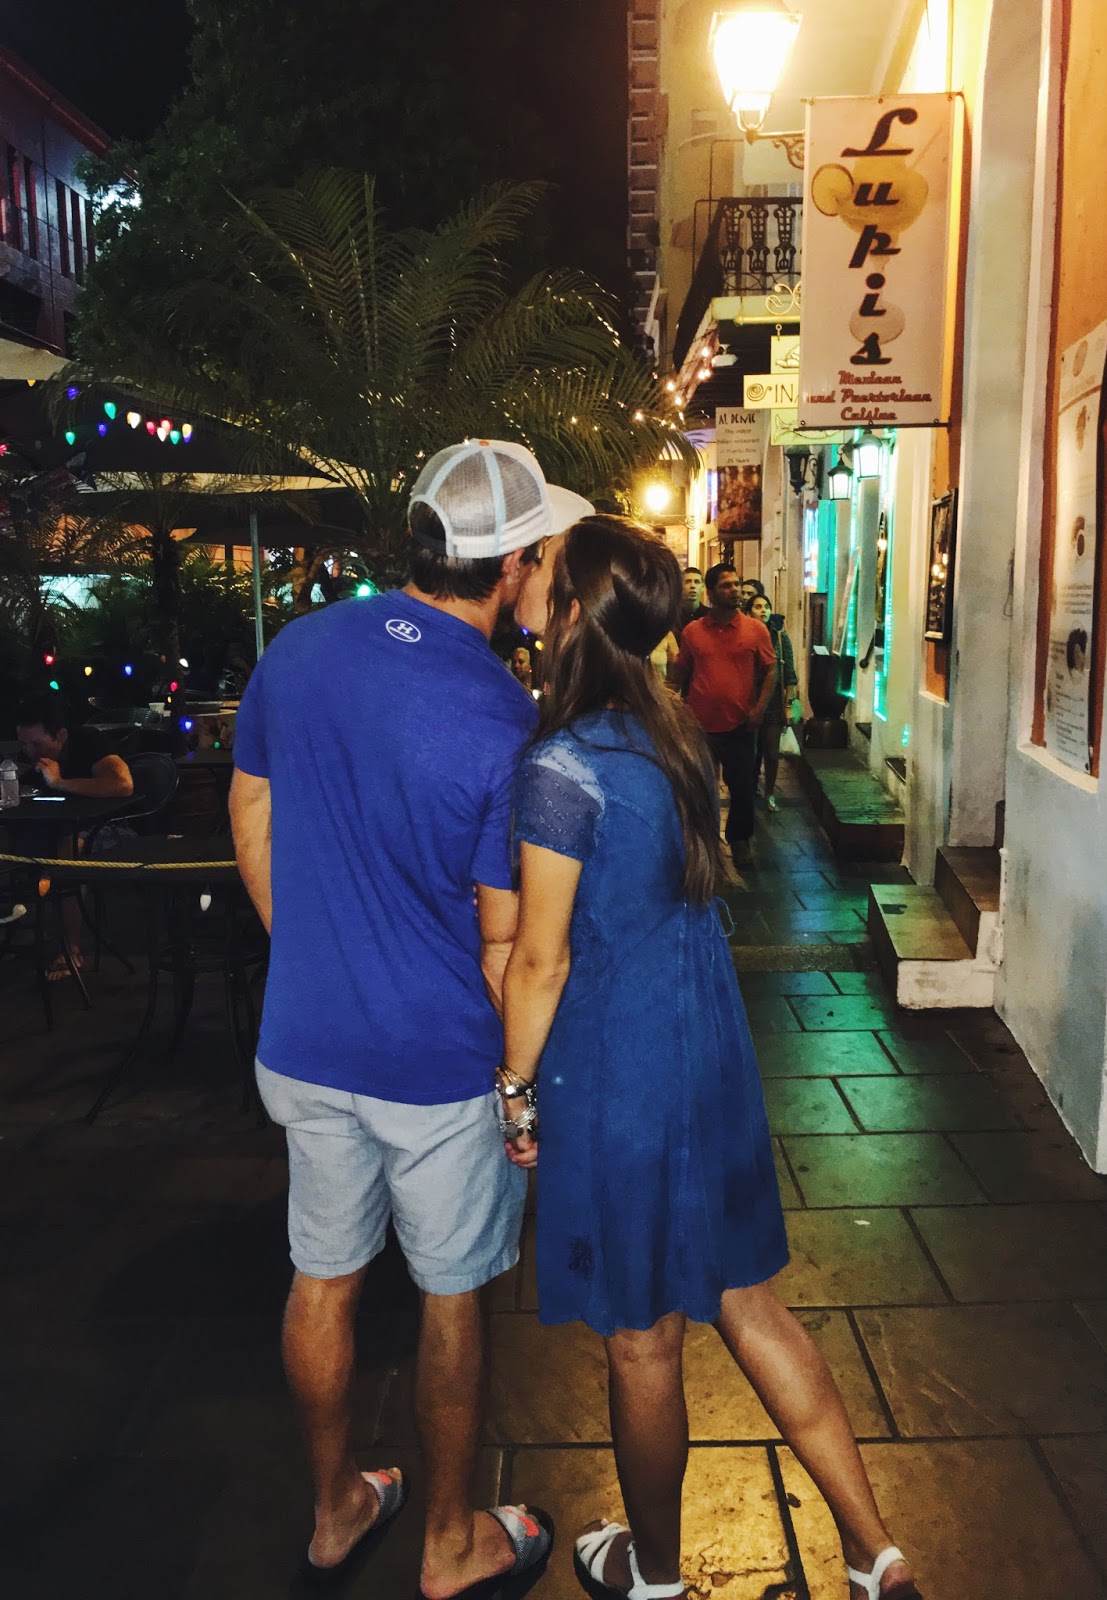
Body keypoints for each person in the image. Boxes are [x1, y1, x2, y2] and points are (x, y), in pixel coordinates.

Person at [499, 516, 920, 1600]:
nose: (526, 574)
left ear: (574, 610)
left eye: (542, 565)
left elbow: (540, 960)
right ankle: (876, 1552)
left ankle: (653, 1575)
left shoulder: (561, 766)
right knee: (748, 1301)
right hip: (710, 1055)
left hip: (623, 1071)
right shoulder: (673, 733)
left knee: (641, 1341)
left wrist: (514, 1092)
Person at [230, 439, 591, 1589]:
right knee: (450, 1293)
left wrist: (311, 951)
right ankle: (449, 1540)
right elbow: (502, 938)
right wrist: (523, 1079)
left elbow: (251, 807)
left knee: (323, 1276)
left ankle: (336, 1510)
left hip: (307, 1039)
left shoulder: (297, 649)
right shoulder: (504, 714)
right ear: (513, 565)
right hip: (436, 1062)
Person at [14, 693, 135, 977]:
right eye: (23, 744)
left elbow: (123, 784)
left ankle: (71, 949)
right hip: (50, 827)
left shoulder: (88, 742)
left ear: (61, 735)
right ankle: (23, 930)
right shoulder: (29, 757)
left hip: (108, 829)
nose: (29, 751)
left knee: (66, 850)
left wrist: (60, 782)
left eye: (37, 744)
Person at [672, 563, 775, 871]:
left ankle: (740, 841)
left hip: (740, 724)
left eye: (736, 584)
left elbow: (770, 670)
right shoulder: (693, 632)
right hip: (700, 724)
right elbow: (680, 672)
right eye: (726, 586)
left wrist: (759, 709)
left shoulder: (755, 630)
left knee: (742, 787)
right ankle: (703, 843)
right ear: (711, 592)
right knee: (700, 787)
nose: (734, 591)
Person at [747, 594, 799, 812]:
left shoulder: (779, 637)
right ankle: (750, 790)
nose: (763, 610)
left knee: (771, 752)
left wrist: (789, 702)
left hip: (774, 704)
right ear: (749, 612)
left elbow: (790, 673)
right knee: (751, 752)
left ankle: (769, 793)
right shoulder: (745, 636)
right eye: (758, 607)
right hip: (748, 702)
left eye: (766, 607)